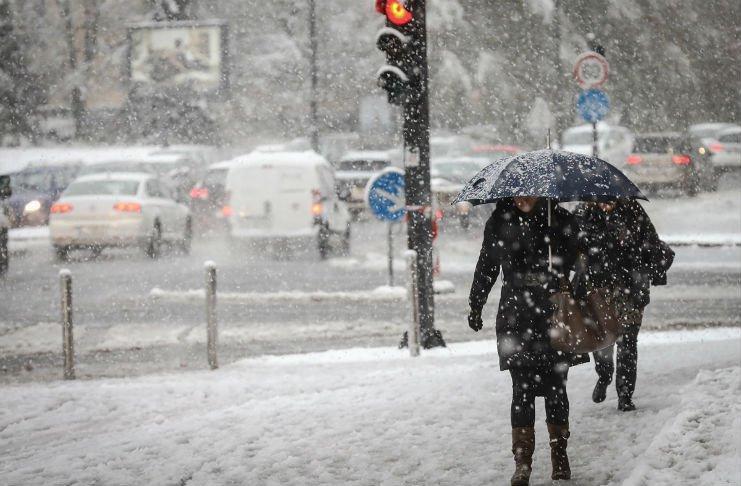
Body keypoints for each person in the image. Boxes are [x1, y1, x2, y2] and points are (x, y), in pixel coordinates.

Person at [467, 196, 588, 486]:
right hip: (516, 316)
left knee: (557, 387)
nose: (524, 197)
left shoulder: (558, 219)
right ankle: (522, 462)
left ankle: (560, 455)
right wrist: (476, 303)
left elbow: (582, 262)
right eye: (519, 193)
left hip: (553, 313)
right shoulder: (500, 222)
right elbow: (487, 264)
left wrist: (560, 253)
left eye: (531, 192)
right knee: (521, 390)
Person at [573, 199, 670, 412]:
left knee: (627, 342)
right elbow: (571, 248)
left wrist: (632, 244)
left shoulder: (633, 211)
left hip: (630, 288)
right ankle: (605, 375)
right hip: (597, 288)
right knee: (602, 342)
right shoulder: (582, 214)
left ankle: (625, 394)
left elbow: (651, 242)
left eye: (610, 201)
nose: (606, 205)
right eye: (601, 201)